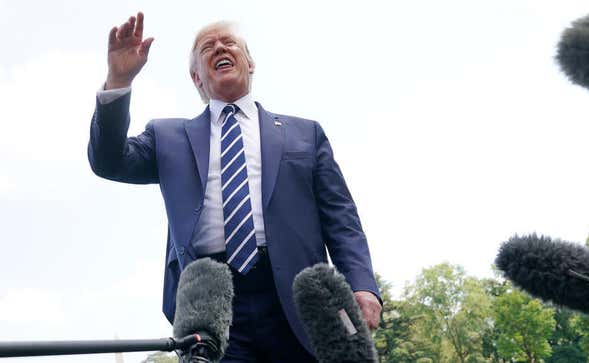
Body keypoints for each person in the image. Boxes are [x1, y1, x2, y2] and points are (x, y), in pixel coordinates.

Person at [89, 12, 381, 362]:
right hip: (212, 306)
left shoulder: (305, 134)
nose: (220, 48)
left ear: (250, 63)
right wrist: (118, 80)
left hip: (296, 298)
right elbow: (108, 161)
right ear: (197, 77)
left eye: (229, 43)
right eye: (207, 47)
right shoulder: (167, 137)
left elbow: (341, 219)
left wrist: (362, 284)